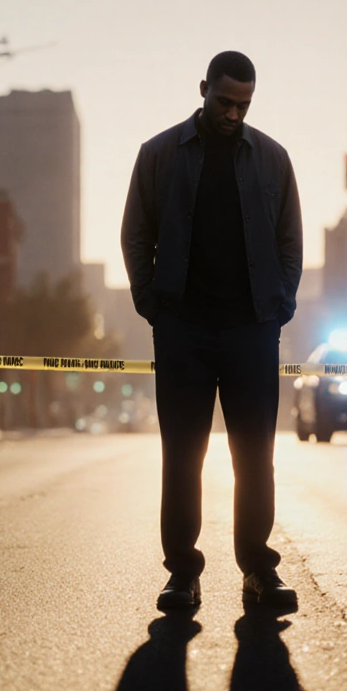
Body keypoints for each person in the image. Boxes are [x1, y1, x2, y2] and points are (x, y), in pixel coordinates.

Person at [121, 50, 303, 610]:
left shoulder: (272, 157)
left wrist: (278, 306)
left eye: (244, 104)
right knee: (183, 454)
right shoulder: (158, 155)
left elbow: (289, 241)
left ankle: (258, 569)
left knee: (256, 455)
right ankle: (182, 573)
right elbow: (136, 233)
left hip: (251, 329)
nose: (233, 113)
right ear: (203, 89)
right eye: (224, 101)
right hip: (183, 330)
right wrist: (154, 305)